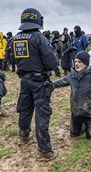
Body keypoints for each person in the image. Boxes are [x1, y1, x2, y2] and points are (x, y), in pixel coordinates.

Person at [13, 8, 58, 161]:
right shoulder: (39, 37)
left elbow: (10, 59)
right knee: (42, 113)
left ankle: (24, 134)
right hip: (39, 81)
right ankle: (45, 150)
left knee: (25, 109)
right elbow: (51, 63)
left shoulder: (16, 38)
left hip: (24, 80)